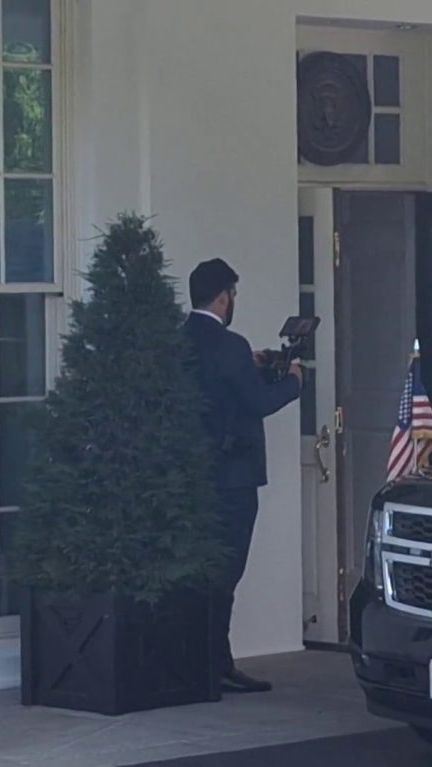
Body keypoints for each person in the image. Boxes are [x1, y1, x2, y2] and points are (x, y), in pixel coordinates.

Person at [183, 258, 303, 694]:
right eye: (232, 294)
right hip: (232, 477)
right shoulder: (230, 345)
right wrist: (293, 381)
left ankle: (199, 661)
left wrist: (251, 364)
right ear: (223, 296)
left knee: (199, 573)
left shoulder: (180, 340)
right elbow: (257, 403)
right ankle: (218, 663)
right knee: (226, 574)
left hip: (191, 477)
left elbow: (216, 385)